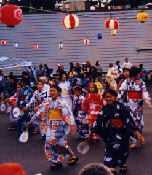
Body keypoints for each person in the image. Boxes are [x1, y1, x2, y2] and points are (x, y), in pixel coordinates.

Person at [89, 89, 144, 175]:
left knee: (123, 150)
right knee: (109, 152)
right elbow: (99, 120)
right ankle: (111, 167)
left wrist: (136, 132)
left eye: (110, 97)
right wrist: (92, 130)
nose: (108, 99)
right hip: (110, 133)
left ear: (115, 97)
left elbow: (129, 119)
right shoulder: (105, 108)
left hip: (122, 133)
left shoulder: (122, 107)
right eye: (106, 97)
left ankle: (122, 163)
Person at [27, 85, 78, 169]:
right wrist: (31, 121)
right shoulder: (47, 102)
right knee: (49, 144)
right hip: (50, 126)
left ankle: (71, 155)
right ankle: (56, 161)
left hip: (60, 125)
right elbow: (41, 113)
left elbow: (67, 114)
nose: (52, 92)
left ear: (58, 92)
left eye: (54, 91)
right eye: (50, 91)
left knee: (60, 144)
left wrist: (71, 124)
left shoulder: (62, 102)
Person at [118, 66, 151, 149]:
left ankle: (140, 137)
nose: (140, 75)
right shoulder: (126, 82)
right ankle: (133, 141)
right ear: (134, 74)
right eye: (138, 74)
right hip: (129, 105)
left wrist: (146, 99)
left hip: (138, 107)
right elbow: (121, 90)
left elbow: (144, 91)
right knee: (131, 124)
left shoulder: (141, 82)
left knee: (139, 123)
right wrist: (117, 98)